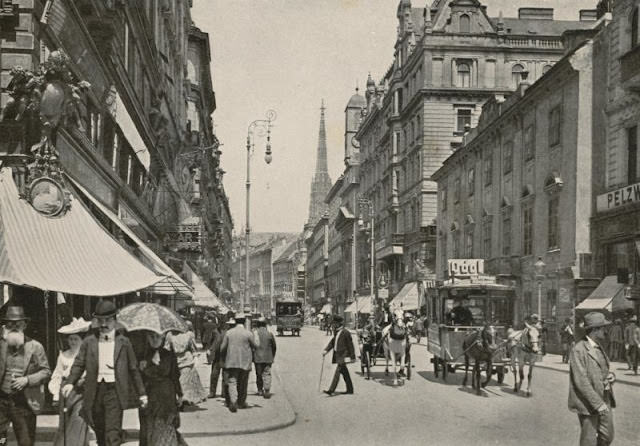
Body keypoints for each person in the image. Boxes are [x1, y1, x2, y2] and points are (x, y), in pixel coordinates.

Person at [62, 300, 147, 446]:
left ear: (114, 320)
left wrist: (142, 393)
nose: (103, 324)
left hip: (115, 391)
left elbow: (133, 369)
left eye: (107, 320)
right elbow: (79, 364)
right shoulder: (89, 342)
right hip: (95, 392)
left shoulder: (124, 342)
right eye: (100, 320)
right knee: (100, 432)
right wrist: (70, 382)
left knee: (112, 433)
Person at [0, 305, 51, 446]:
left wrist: (27, 380)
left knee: (26, 442)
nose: (14, 326)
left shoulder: (35, 346)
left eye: (18, 323)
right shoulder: (1, 345)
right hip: (2, 400)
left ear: (25, 325)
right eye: (10, 323)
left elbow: (46, 371)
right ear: (5, 325)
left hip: (23, 402)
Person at [568, 311, 616, 446]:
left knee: (607, 436)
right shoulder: (579, 350)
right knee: (589, 440)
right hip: (587, 402)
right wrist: (597, 404)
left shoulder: (599, 346)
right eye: (603, 328)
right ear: (595, 330)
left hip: (604, 397)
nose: (605, 331)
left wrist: (611, 376)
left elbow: (603, 369)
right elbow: (580, 381)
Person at [50, 317, 94, 446]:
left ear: (82, 340)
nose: (73, 342)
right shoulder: (63, 355)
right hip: (66, 393)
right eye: (71, 339)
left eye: (76, 339)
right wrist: (56, 394)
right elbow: (57, 375)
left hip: (81, 392)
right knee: (65, 423)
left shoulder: (87, 355)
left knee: (78, 420)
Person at [138, 331, 186, 446]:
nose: (155, 340)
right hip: (150, 395)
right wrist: (143, 367)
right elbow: (138, 380)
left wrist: (179, 394)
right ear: (147, 337)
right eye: (151, 336)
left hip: (166, 396)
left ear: (163, 337)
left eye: (157, 337)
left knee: (167, 424)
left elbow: (175, 376)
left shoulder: (169, 355)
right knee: (149, 427)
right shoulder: (142, 356)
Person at [220, 313, 258, 412]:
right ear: (244, 321)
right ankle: (241, 402)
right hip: (245, 362)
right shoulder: (248, 333)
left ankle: (233, 401)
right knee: (243, 382)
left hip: (231, 362)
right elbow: (256, 346)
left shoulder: (229, 333)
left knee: (232, 381)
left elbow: (222, 348)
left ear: (235, 321)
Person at [166, 321, 207, 408]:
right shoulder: (188, 334)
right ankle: (182, 400)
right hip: (183, 361)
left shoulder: (170, 335)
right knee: (181, 383)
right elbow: (193, 348)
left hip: (179, 361)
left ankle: (181, 401)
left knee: (180, 382)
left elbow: (166, 349)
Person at [322, 315, 355, 396]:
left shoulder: (345, 332)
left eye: (334, 323)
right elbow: (333, 342)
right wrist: (326, 350)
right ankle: (350, 389)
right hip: (338, 355)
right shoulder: (336, 332)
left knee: (338, 371)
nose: (333, 325)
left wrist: (352, 356)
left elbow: (350, 345)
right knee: (345, 372)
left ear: (338, 323)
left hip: (343, 355)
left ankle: (331, 390)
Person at [253, 317, 277, 399]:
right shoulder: (269, 334)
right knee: (267, 373)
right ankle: (267, 390)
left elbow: (252, 346)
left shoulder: (254, 333)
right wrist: (272, 356)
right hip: (268, 358)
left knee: (258, 374)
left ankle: (260, 390)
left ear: (258, 325)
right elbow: (274, 347)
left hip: (257, 358)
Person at [207, 320, 225, 399]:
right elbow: (210, 342)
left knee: (225, 376)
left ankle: (224, 392)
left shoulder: (228, 332)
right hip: (216, 357)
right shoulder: (214, 332)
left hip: (225, 356)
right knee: (214, 375)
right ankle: (212, 392)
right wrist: (210, 350)